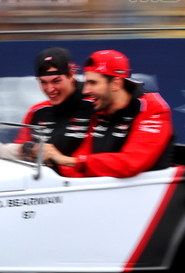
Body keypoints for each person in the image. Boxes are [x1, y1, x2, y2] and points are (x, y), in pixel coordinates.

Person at [40, 49, 175, 178]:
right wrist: (50, 163)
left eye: (93, 83)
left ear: (115, 83)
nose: (86, 90)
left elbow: (130, 163)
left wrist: (65, 160)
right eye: (86, 82)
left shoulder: (152, 108)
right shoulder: (99, 108)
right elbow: (82, 161)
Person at [0, 47, 92, 161]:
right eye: (43, 82)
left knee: (5, 150)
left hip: (70, 170)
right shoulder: (37, 111)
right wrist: (28, 148)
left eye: (56, 81)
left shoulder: (94, 105)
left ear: (72, 75)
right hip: (38, 170)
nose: (50, 89)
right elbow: (22, 145)